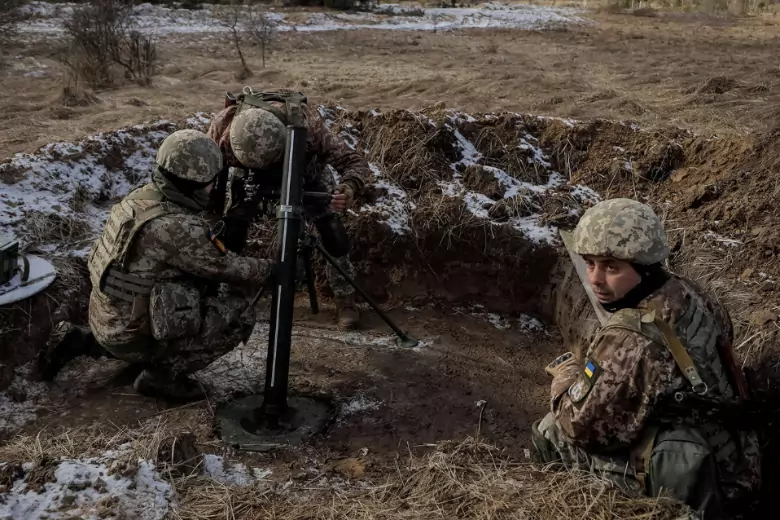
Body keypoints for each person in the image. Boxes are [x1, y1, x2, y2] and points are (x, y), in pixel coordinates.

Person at [531, 198, 761, 518]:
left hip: (707, 480)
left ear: (644, 266)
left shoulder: (631, 336)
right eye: (590, 263)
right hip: (738, 454)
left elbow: (579, 426)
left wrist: (564, 381)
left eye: (611, 266)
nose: (595, 279)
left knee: (550, 431)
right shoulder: (689, 291)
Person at [41, 129, 275, 400]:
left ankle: (83, 341)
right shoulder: (175, 227)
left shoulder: (140, 199)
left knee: (181, 290)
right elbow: (230, 269)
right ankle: (161, 377)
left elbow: (180, 248)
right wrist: (273, 269)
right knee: (240, 314)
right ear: (193, 183)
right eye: (211, 182)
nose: (213, 188)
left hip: (103, 318)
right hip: (128, 334)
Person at [206, 87, 371, 330]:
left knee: (332, 230)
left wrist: (348, 188)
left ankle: (344, 296)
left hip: (307, 176)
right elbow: (204, 170)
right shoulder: (223, 126)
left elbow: (354, 162)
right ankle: (228, 292)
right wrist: (209, 205)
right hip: (249, 179)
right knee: (230, 230)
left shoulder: (310, 126)